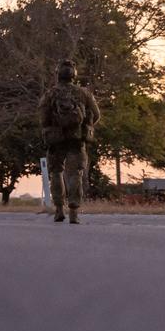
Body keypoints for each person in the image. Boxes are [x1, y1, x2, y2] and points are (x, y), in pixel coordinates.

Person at [39, 60, 100, 225]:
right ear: (74, 74)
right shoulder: (83, 93)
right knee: (75, 174)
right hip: (76, 140)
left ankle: (59, 210)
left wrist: (52, 126)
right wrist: (84, 125)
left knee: (56, 173)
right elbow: (96, 114)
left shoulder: (50, 94)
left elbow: (43, 119)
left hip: (55, 140)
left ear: (58, 73)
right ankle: (74, 212)